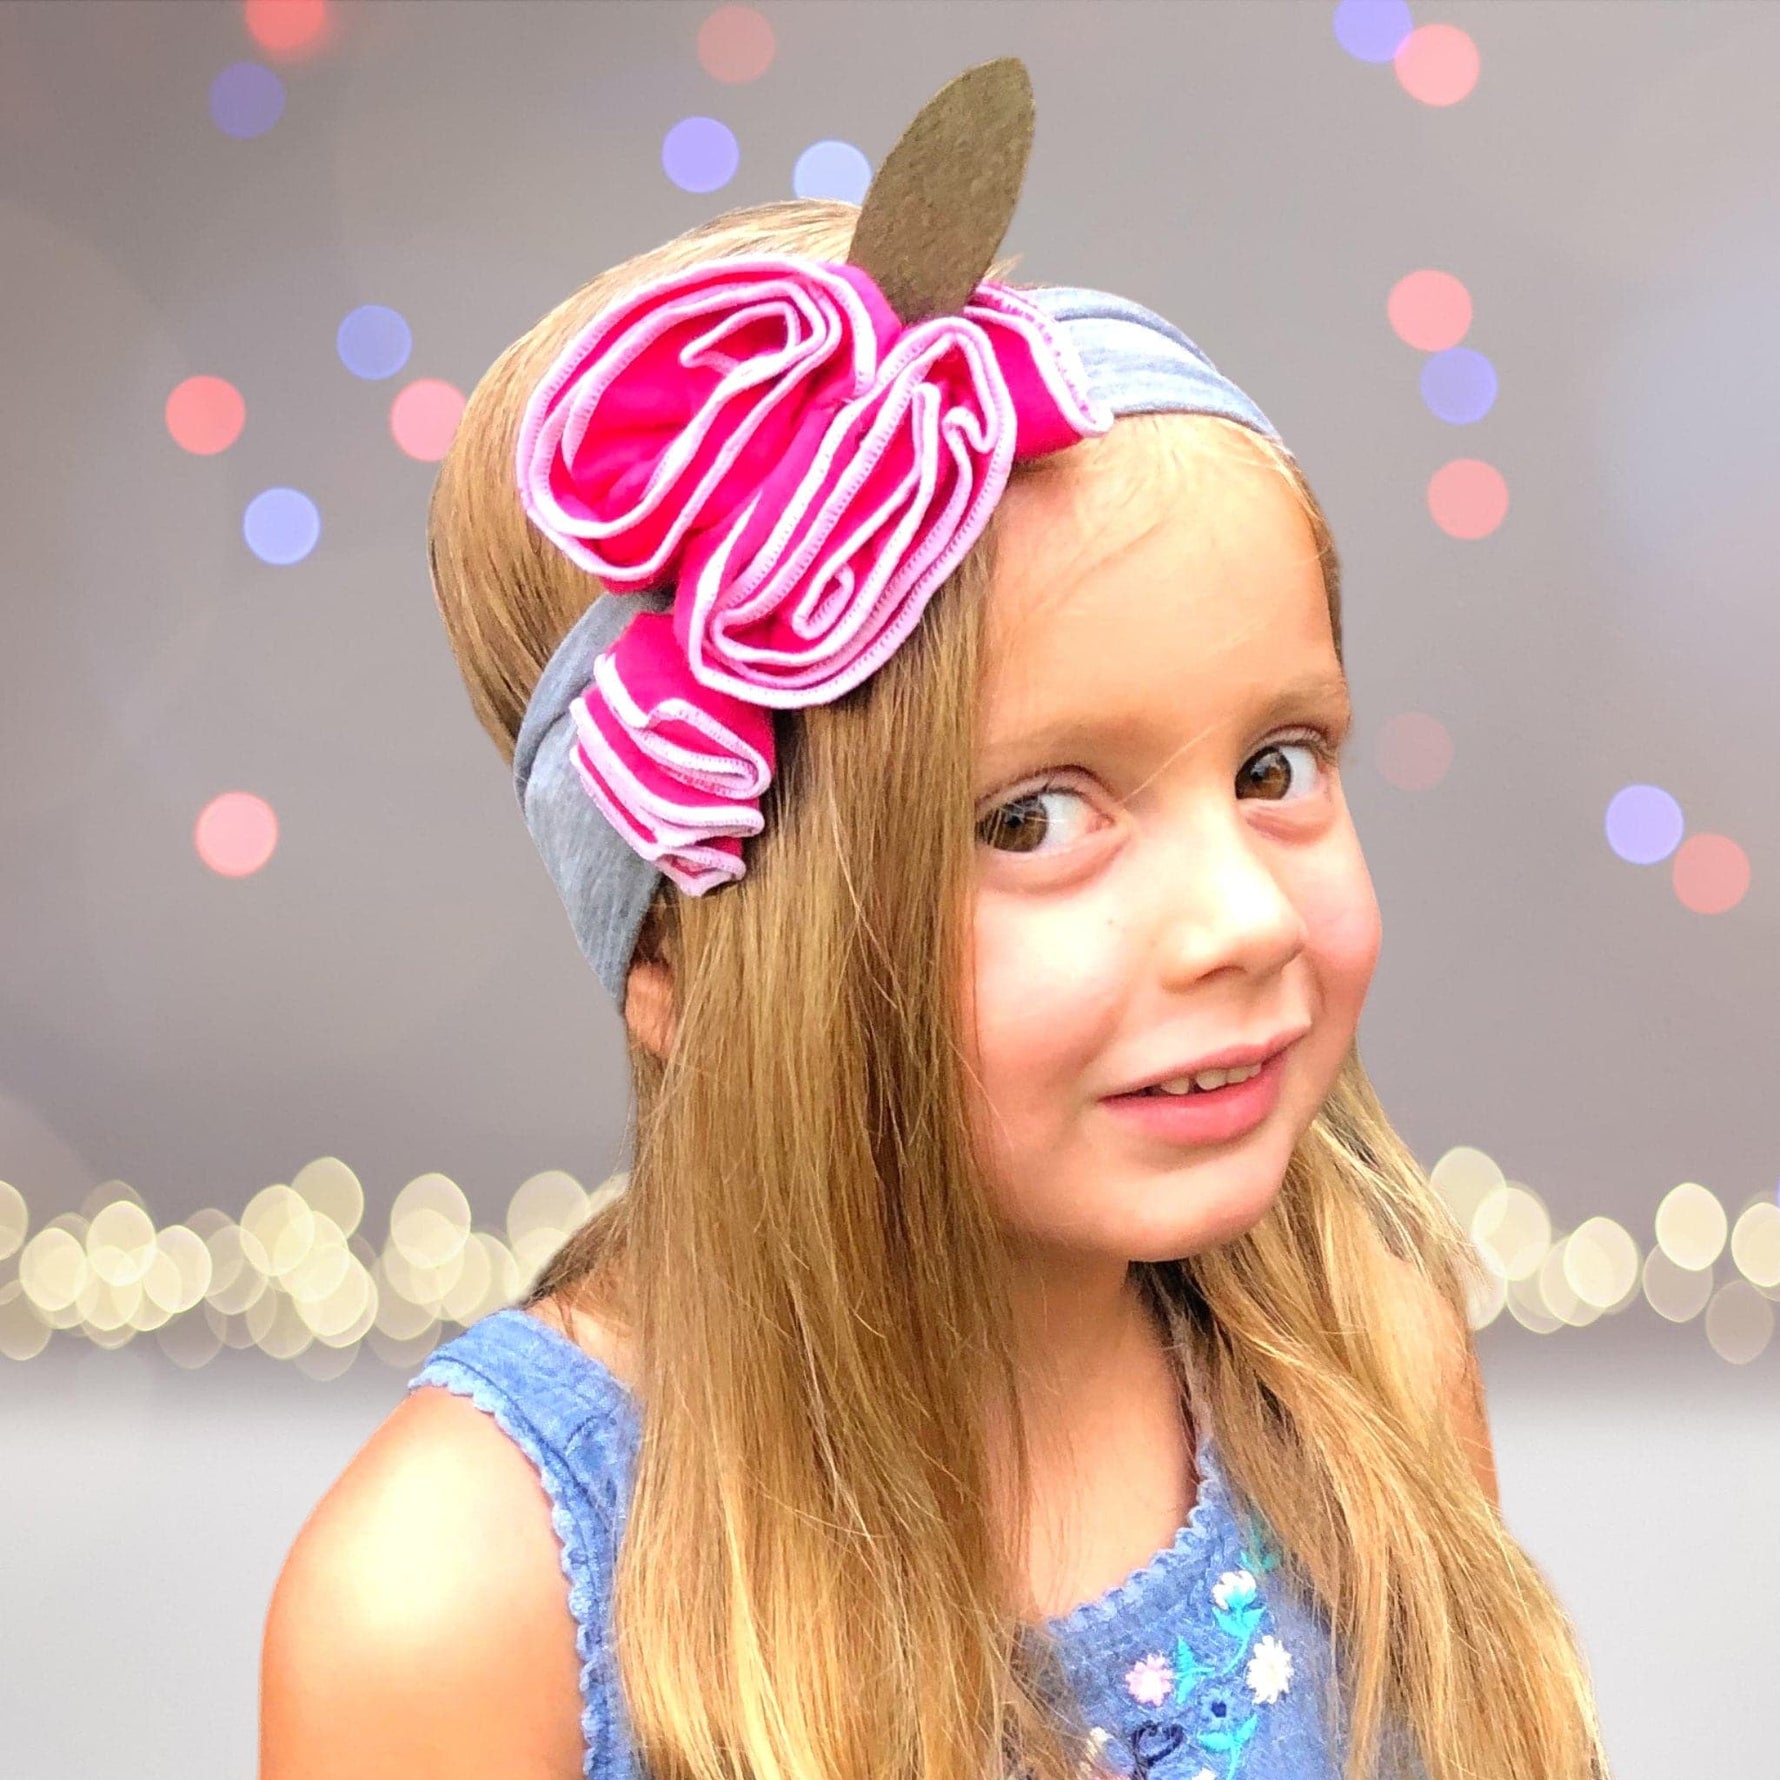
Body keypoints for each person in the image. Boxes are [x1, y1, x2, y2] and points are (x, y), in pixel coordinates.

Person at [259, 60, 1605, 1780]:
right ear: (676, 958)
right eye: (1032, 819)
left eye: (1278, 766)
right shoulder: (460, 1599)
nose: (1241, 917)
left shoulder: (1361, 1370)